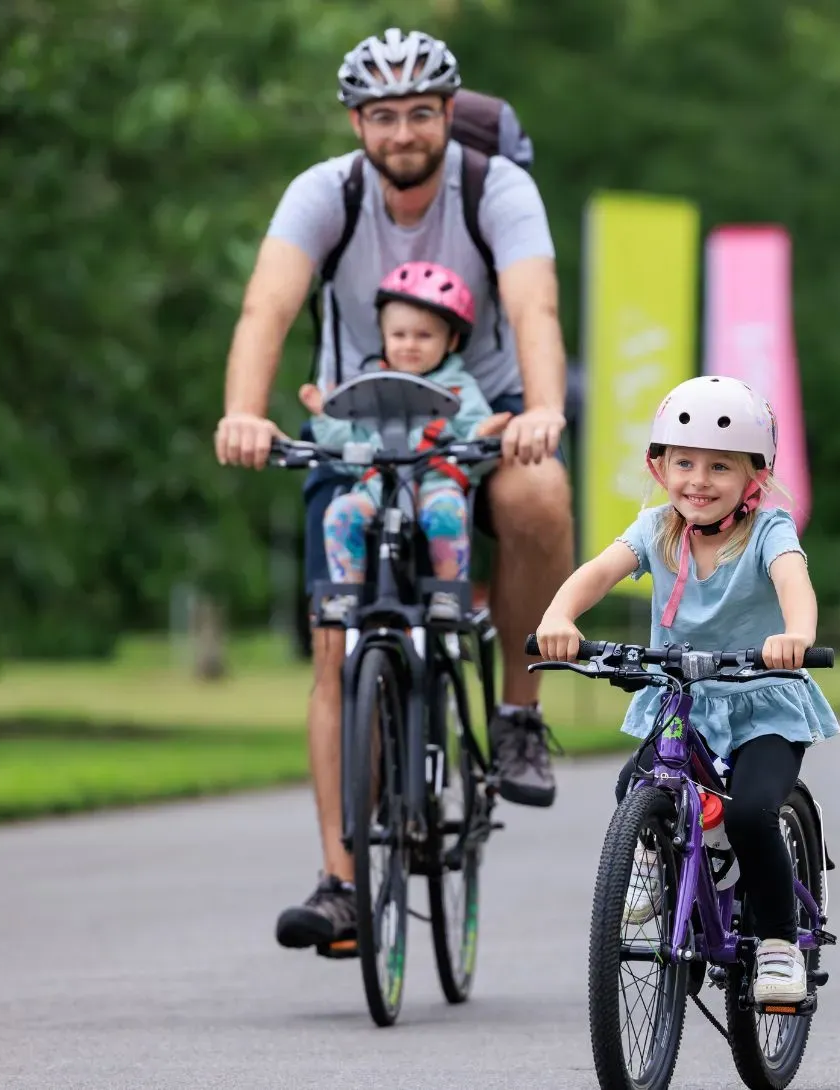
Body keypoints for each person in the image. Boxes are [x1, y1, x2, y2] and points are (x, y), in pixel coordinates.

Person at [214, 27, 574, 949]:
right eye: (385, 115)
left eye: (421, 112)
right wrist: (245, 413)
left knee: (540, 496)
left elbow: (533, 304)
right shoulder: (324, 194)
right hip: (355, 428)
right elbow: (269, 306)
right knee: (337, 648)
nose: (404, 131)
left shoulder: (497, 189)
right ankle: (340, 881)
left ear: (449, 115)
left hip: (474, 420)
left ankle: (519, 715)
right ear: (357, 122)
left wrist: (538, 410)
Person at [534, 376, 840, 1005]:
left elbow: (793, 584)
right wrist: (560, 618)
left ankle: (779, 945)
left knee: (754, 811)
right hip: (684, 702)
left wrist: (797, 635)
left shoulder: (768, 531)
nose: (697, 480)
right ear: (660, 465)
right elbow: (596, 573)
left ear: (753, 475)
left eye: (719, 467)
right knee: (636, 787)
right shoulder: (656, 530)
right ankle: (654, 872)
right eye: (683, 462)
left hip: (764, 704)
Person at [299, 261, 511, 630]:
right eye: (399, 335)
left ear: (452, 340)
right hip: (376, 487)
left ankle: (447, 593)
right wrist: (326, 416)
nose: (410, 344)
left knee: (448, 510)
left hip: (435, 486)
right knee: (340, 512)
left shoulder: (460, 389)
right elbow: (350, 444)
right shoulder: (369, 387)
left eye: (424, 336)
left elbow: (474, 447)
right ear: (383, 336)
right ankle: (344, 593)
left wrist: (483, 436)